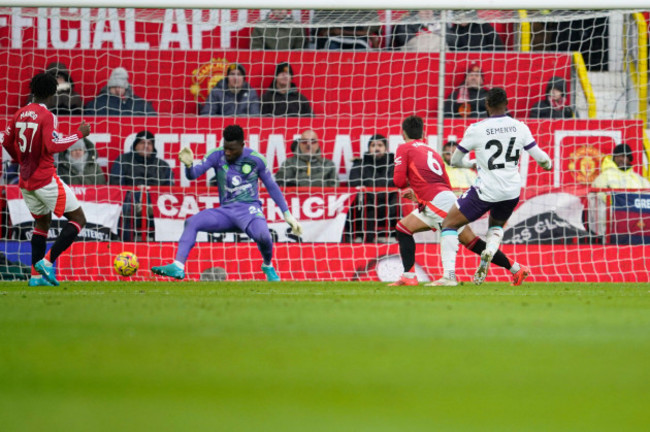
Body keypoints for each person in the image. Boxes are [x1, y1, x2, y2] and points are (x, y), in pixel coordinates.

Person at [388, 115, 531, 287]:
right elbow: (444, 181)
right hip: (443, 197)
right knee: (404, 228)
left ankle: (447, 277)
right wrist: (419, 194)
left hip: (435, 201)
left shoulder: (404, 147)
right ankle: (408, 275)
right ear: (424, 133)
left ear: (403, 134)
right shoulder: (431, 151)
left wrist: (415, 189)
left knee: (470, 241)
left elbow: (399, 182)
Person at [151, 124, 303, 281]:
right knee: (191, 222)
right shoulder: (217, 155)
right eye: (225, 148)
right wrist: (189, 165)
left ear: (242, 145)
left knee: (264, 237)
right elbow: (193, 175)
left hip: (249, 210)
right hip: (226, 212)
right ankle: (178, 266)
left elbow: (271, 186)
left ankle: (267, 265)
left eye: (232, 149)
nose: (227, 152)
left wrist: (287, 214)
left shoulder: (256, 159)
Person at [440, 88, 553, 286]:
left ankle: (449, 276)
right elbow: (541, 158)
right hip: (511, 191)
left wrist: (471, 163)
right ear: (507, 104)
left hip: (486, 190)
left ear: (486, 105)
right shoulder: (520, 126)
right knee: (495, 226)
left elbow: (456, 160)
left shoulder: (477, 128)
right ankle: (490, 251)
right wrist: (548, 165)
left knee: (449, 224)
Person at [1, 72, 91, 287]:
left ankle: (35, 278)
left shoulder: (19, 114)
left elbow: (5, 141)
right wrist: (79, 134)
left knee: (42, 223)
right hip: (44, 179)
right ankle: (47, 262)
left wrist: (21, 160)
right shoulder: (47, 116)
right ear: (52, 94)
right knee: (78, 219)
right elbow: (52, 146)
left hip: (26, 181)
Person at [348, 134, 396, 242]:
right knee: (367, 205)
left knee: (400, 204)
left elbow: (395, 183)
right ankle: (368, 243)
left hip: (390, 205)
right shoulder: (360, 164)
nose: (377, 148)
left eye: (380, 145)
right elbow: (354, 182)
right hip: (367, 204)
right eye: (373, 145)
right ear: (369, 148)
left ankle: (401, 241)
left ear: (386, 148)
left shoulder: (395, 165)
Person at [109, 130, 174, 186]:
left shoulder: (163, 166)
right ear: (135, 146)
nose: (146, 146)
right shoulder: (123, 161)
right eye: (142, 142)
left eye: (149, 143)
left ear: (153, 147)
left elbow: (169, 189)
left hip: (156, 200)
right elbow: (116, 185)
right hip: (130, 200)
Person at [84, 67, 156, 116]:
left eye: (121, 87)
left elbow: (153, 121)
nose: (118, 90)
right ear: (109, 87)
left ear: (126, 87)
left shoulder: (140, 104)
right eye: (114, 87)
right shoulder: (96, 104)